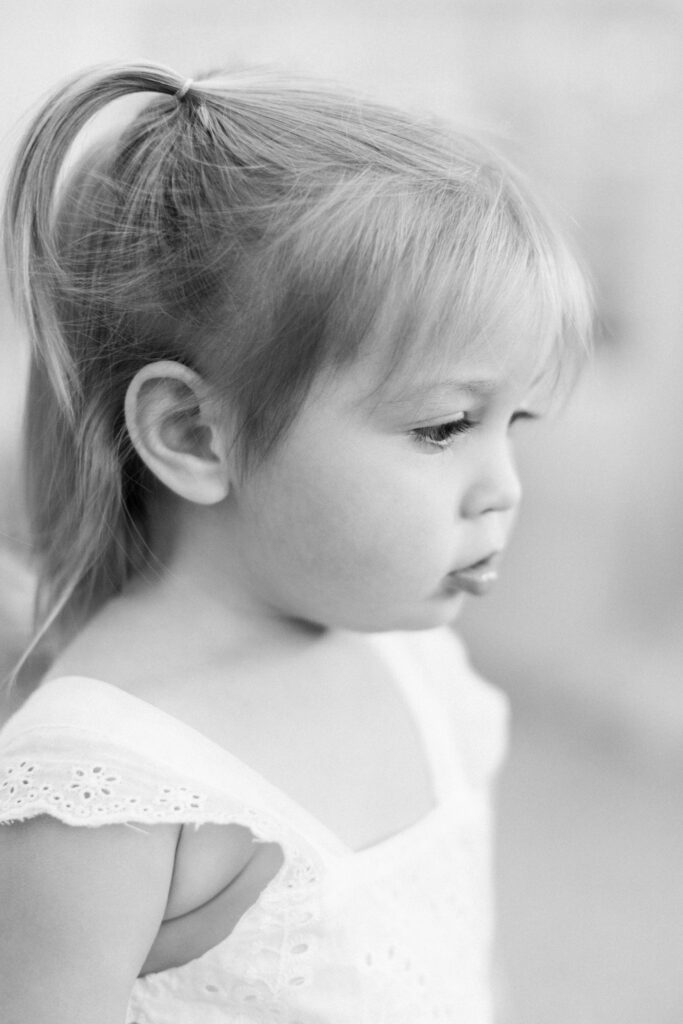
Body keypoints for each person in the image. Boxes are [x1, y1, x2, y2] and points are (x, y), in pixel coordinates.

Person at [0, 60, 591, 1024]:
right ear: (195, 434)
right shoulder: (98, 795)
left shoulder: (415, 664)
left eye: (513, 421)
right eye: (442, 427)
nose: (502, 491)